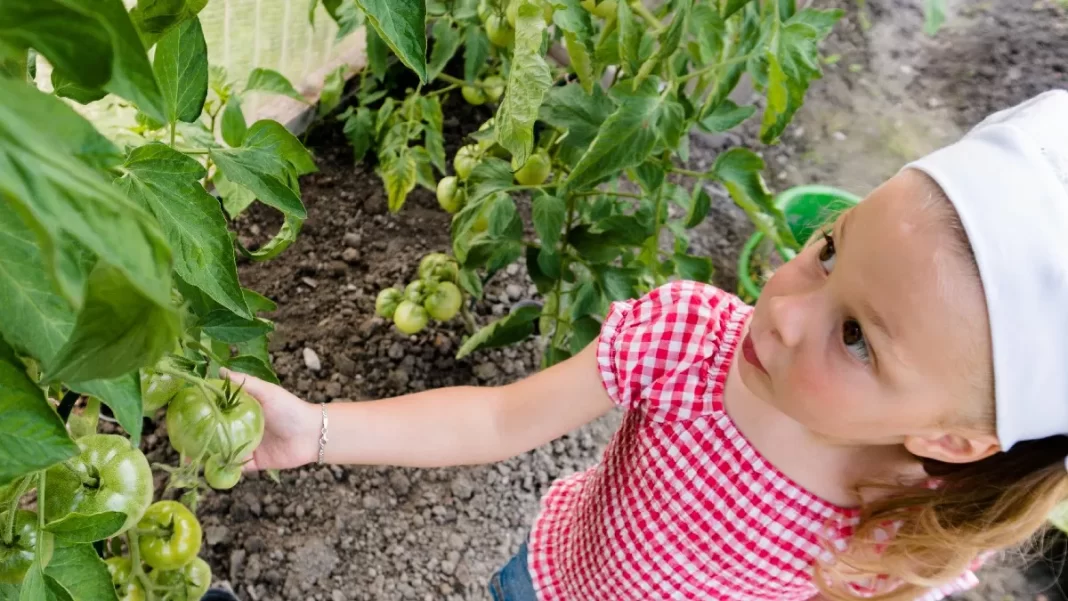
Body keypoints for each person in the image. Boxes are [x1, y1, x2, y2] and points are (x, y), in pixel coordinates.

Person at [220, 89, 1068, 600]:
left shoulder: (909, 526)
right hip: (549, 581)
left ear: (951, 439)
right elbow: (499, 420)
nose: (780, 309)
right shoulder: (692, 341)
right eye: (829, 251)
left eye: (854, 337)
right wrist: (317, 430)